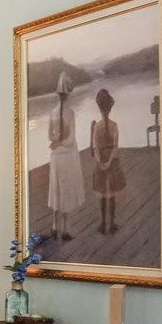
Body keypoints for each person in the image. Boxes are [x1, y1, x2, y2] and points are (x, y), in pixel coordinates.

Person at [46, 84, 85, 241]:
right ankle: (65, 229)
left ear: (58, 95)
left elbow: (50, 136)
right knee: (65, 189)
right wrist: (62, 142)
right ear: (67, 95)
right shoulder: (70, 112)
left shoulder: (52, 112)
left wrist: (56, 141)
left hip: (55, 155)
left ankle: (54, 226)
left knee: (56, 188)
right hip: (66, 155)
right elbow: (71, 139)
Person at [89, 87, 125, 234]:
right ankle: (111, 223)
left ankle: (103, 223)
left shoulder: (97, 127)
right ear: (110, 108)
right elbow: (115, 146)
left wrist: (100, 161)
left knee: (104, 193)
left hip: (102, 161)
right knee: (111, 194)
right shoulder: (114, 125)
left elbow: (96, 147)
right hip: (112, 161)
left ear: (99, 108)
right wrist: (109, 161)